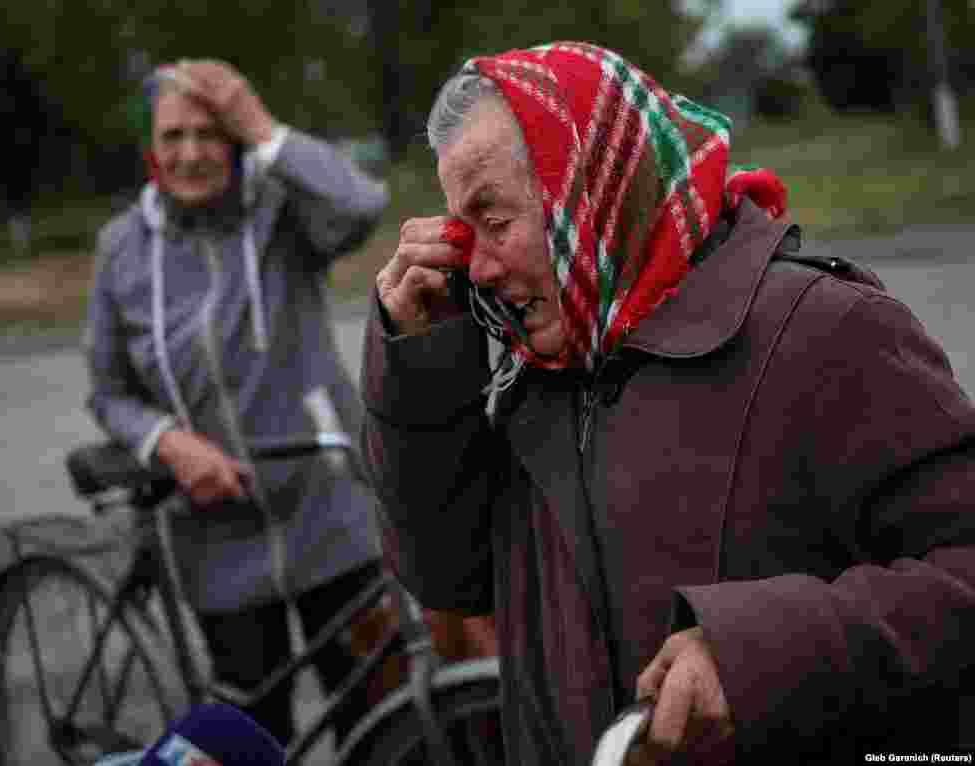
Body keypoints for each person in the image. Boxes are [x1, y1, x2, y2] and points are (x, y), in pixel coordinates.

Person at [361, 41, 975, 765]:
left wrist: (756, 655)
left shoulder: (824, 330)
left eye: (494, 223)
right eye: (464, 233)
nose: (479, 268)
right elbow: (450, 581)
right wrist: (422, 369)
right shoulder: (539, 371)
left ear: (595, 186)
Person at [86, 58, 389, 745]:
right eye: (173, 136)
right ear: (151, 150)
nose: (191, 153)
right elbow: (109, 392)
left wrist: (258, 122)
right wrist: (168, 442)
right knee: (256, 738)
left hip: (331, 520)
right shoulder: (122, 249)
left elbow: (361, 206)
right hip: (217, 542)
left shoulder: (281, 214)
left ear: (234, 141)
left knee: (376, 728)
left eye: (209, 133)